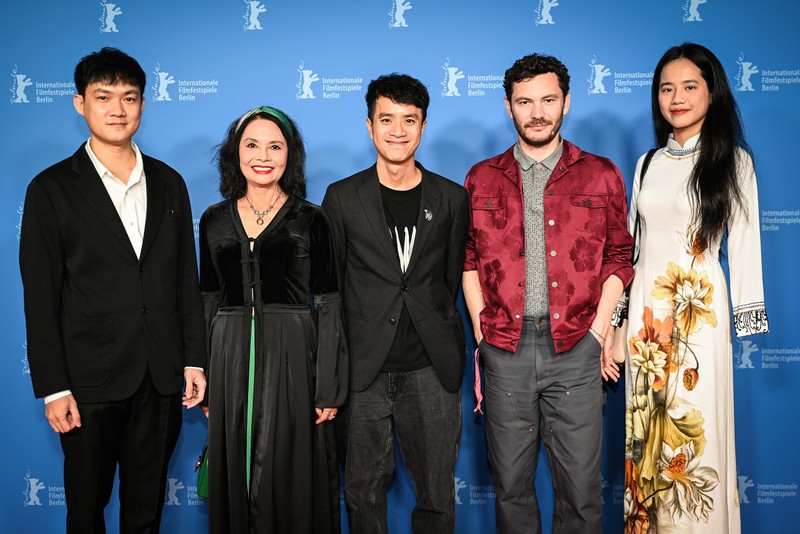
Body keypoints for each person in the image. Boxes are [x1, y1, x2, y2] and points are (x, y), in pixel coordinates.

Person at [19, 47, 206, 533]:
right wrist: (54, 387)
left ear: (143, 104)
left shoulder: (171, 183)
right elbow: (40, 298)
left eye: (129, 97)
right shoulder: (51, 189)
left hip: (160, 378)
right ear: (80, 103)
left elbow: (186, 279)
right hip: (87, 382)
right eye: (104, 97)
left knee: (145, 513)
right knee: (86, 512)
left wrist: (192, 359)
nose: (118, 109)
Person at [462, 53, 634, 533]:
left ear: (566, 102)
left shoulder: (601, 174)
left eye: (548, 100)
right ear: (508, 107)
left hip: (578, 348)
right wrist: (480, 328)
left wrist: (601, 329)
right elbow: (468, 258)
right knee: (511, 489)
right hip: (503, 350)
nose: (537, 112)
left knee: (580, 494)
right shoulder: (481, 177)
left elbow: (621, 257)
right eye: (525, 101)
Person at [622, 43, 769, 534]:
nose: (677, 98)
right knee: (647, 437)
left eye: (689, 87)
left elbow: (746, 247)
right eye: (667, 88)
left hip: (698, 322)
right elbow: (632, 251)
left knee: (694, 436)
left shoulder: (734, 162)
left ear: (712, 93)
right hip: (646, 327)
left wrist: (748, 319)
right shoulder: (645, 163)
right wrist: (619, 325)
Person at [322, 74, 469, 533]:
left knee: (437, 494)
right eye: (387, 119)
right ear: (370, 126)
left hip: (430, 366)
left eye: (410, 120)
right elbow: (332, 289)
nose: (398, 130)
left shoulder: (451, 198)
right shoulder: (342, 198)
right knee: (362, 491)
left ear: (423, 126)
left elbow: (447, 282)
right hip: (363, 369)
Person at [199, 106, 348, 533]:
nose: (262, 156)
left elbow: (330, 300)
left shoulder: (311, 218)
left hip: (294, 355)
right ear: (236, 153)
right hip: (228, 357)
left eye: (275, 146)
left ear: (290, 156)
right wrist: (206, 373)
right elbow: (208, 298)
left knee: (290, 468)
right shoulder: (212, 219)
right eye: (251, 145)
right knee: (237, 470)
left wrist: (329, 384)